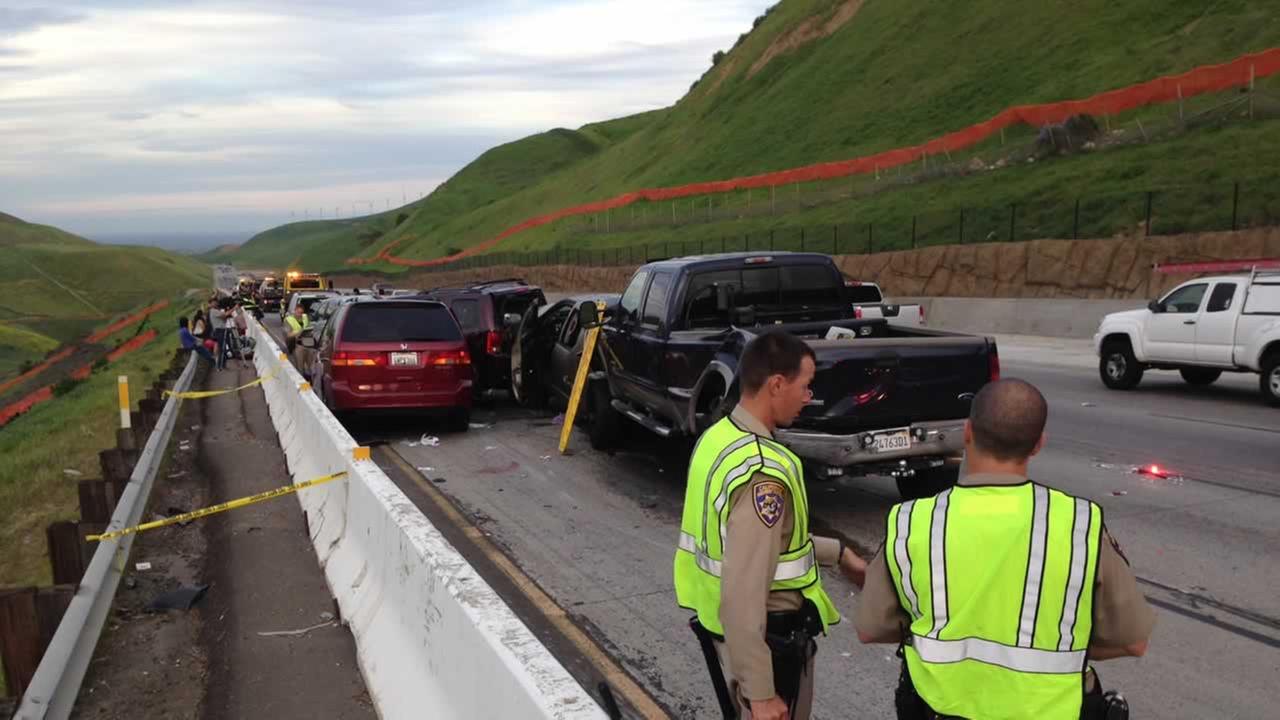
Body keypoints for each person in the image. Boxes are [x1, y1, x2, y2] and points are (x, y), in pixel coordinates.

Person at [854, 379, 1154, 720]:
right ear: (1038, 444)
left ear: (967, 432)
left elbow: (870, 628)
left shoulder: (911, 521)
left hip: (937, 710)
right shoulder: (1079, 524)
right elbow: (1134, 641)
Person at [675, 330, 867, 720]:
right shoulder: (763, 472)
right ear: (777, 384)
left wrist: (839, 553)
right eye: (806, 386)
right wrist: (761, 693)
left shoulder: (719, 438)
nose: (808, 397)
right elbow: (744, 589)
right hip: (768, 643)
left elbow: (763, 546)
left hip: (727, 637)